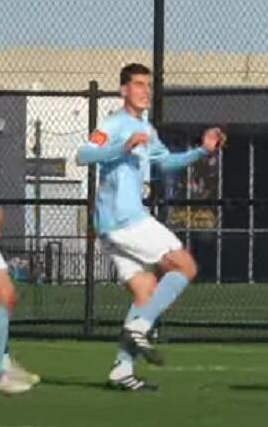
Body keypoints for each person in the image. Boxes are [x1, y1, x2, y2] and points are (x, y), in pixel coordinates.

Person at [75, 63, 225, 391]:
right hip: (125, 219)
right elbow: (83, 154)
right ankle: (141, 327)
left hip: (113, 225)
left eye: (148, 85)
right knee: (185, 264)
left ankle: (122, 369)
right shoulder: (116, 124)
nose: (145, 91)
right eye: (138, 84)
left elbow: (165, 162)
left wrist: (202, 150)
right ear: (123, 90)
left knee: (145, 291)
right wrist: (121, 147)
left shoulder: (147, 129)